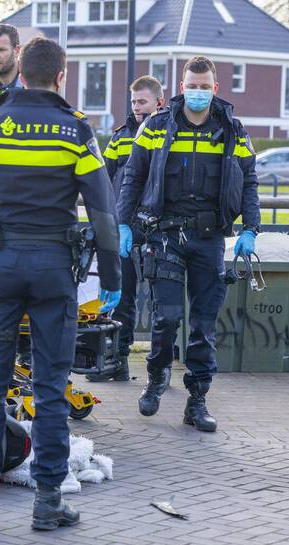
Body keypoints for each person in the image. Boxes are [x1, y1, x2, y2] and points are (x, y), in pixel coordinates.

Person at [0, 37, 122, 531]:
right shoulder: (76, 130)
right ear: (61, 77)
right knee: (49, 387)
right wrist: (112, 274)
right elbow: (103, 209)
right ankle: (47, 501)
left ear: (20, 74)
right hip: (52, 271)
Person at [118, 55, 260, 432]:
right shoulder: (156, 126)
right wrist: (123, 224)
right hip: (165, 234)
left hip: (210, 237)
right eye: (191, 86)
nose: (197, 93)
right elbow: (133, 176)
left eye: (204, 87)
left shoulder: (232, 130)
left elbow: (249, 182)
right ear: (182, 88)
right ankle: (156, 377)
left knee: (203, 323)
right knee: (166, 317)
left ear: (215, 89)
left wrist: (251, 229)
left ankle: (197, 400)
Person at [93, 74, 165, 383]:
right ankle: (118, 360)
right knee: (121, 296)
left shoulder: (169, 133)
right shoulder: (121, 136)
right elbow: (103, 175)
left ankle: (160, 368)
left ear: (158, 103)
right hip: (124, 226)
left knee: (163, 300)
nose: (137, 107)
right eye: (134, 102)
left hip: (158, 227)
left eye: (142, 102)